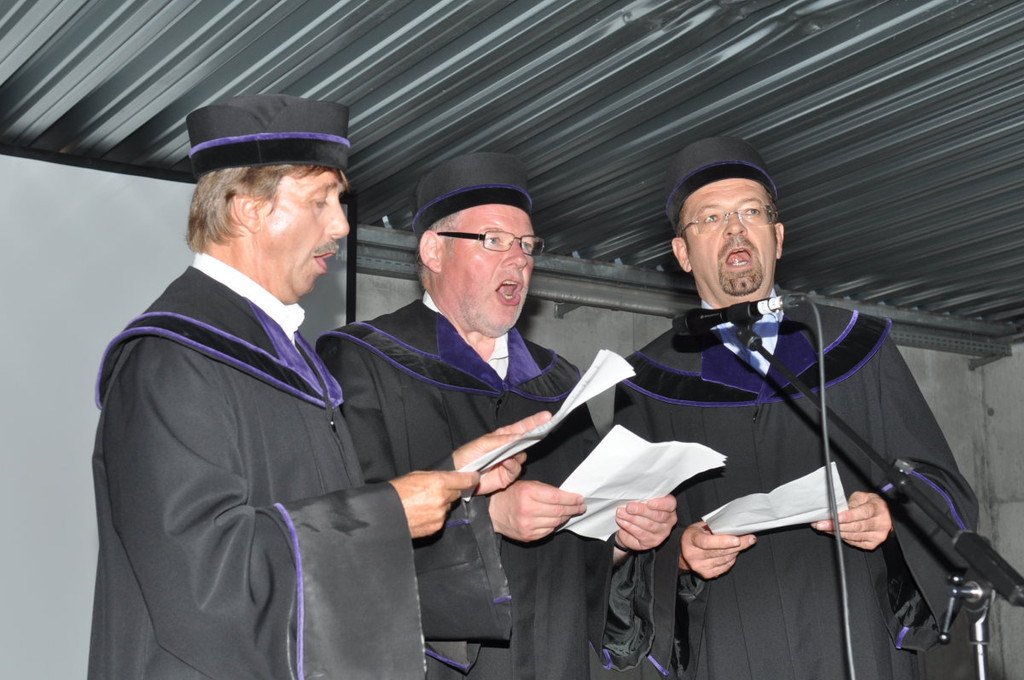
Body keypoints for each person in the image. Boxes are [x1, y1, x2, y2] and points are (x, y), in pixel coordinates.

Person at [88, 95, 543, 680]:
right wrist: (387, 513)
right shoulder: (172, 357)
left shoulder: (285, 354)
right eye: (320, 200)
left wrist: (451, 477)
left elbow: (315, 518)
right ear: (249, 210)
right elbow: (201, 578)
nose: (341, 225)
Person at [614, 136, 978, 679]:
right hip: (731, 642)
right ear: (683, 254)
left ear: (778, 237)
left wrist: (893, 515)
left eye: (750, 212)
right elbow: (618, 535)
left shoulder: (856, 346)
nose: (735, 229)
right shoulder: (648, 381)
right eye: (710, 218)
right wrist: (680, 556)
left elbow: (939, 483)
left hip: (856, 637)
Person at [316, 152, 680, 679]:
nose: (518, 260)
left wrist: (623, 540)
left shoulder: (560, 383)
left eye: (527, 245)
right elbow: (344, 536)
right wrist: (487, 520)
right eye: (493, 240)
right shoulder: (363, 362)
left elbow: (583, 556)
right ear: (433, 250)